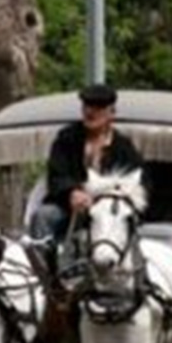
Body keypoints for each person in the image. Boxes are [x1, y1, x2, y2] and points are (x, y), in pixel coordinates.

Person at [28, 83, 143, 242]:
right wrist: (72, 192)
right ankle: (42, 263)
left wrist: (107, 199)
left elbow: (135, 182)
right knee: (44, 216)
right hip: (68, 208)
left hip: (107, 209)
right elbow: (56, 175)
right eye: (87, 106)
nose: (91, 112)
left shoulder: (124, 148)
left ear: (111, 112)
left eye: (98, 108)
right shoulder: (66, 138)